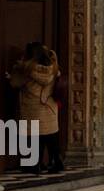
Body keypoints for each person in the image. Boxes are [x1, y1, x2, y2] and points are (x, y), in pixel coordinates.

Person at [9, 43, 65, 174]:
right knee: (51, 136)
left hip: (32, 108)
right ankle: (56, 162)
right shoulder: (53, 69)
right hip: (49, 107)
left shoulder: (26, 70)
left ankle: (33, 165)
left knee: (33, 137)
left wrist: (15, 69)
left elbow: (14, 83)